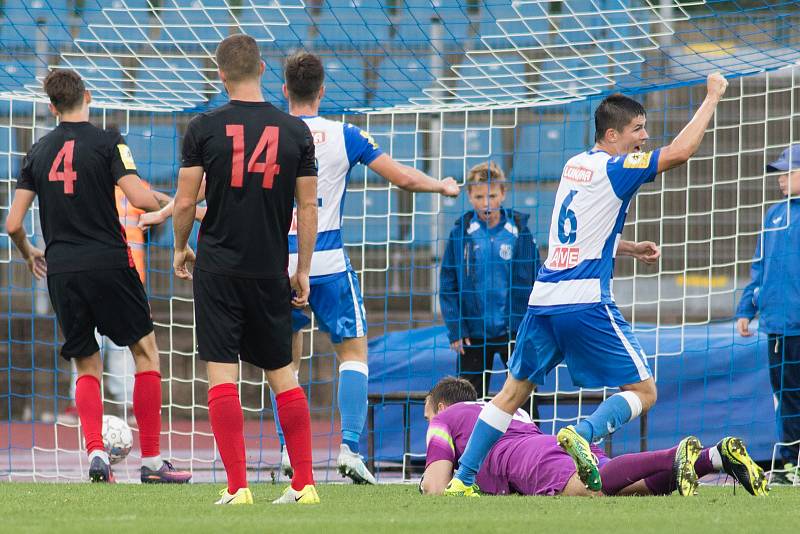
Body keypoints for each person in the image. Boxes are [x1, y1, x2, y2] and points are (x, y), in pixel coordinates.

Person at [445, 72, 729, 496]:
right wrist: (712, 97)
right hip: (584, 300)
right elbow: (681, 152)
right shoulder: (617, 168)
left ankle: (461, 481)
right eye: (638, 130)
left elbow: (580, 232)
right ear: (612, 135)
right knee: (644, 390)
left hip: (543, 300)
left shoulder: (574, 165)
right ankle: (585, 432)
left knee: (510, 394)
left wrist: (626, 247)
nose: (645, 137)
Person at [266, 51, 460, 484]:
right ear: (322, 91)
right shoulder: (345, 134)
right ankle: (351, 448)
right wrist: (441, 186)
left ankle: (286, 451)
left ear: (283, 90)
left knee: (286, 363)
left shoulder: (270, 134)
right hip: (329, 262)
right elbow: (404, 178)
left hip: (280, 264)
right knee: (352, 355)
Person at [4, 69, 191, 484]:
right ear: (88, 97)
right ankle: (153, 462)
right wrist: (177, 204)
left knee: (86, 364)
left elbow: (14, 223)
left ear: (52, 107)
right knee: (145, 352)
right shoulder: (109, 143)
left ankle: (96, 454)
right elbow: (140, 199)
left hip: (63, 270)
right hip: (109, 263)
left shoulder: (37, 151)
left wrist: (30, 251)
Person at [172, 35, 319, 505]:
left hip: (218, 267)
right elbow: (309, 205)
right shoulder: (296, 131)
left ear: (220, 75)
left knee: (222, 375)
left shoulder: (203, 127)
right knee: (283, 373)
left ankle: (238, 488)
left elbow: (185, 200)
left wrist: (179, 247)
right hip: (270, 268)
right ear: (261, 67)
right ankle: (306, 484)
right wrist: (304, 269)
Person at [421, 377, 768, 497]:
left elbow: (436, 487)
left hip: (526, 461)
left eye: (427, 416)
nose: (428, 424)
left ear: (439, 405)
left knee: (594, 488)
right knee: (628, 488)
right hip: (547, 447)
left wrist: (424, 483)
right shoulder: (504, 409)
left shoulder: (445, 419)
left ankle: (674, 455)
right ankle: (715, 457)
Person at [439, 162, 539, 402]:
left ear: (503, 194)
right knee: (467, 399)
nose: (486, 202)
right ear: (470, 197)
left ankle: (529, 439)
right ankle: (468, 441)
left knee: (524, 399)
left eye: (492, 195)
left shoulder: (519, 231)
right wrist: (456, 328)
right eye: (479, 196)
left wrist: (532, 326)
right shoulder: (461, 233)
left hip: (514, 331)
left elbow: (537, 278)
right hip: (473, 333)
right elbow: (447, 283)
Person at [736, 144, 800, 485]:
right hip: (778, 328)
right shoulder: (774, 215)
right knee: (787, 398)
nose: (781, 180)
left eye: (788, 172)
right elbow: (759, 268)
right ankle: (790, 463)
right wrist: (747, 307)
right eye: (780, 173)